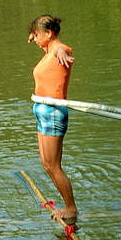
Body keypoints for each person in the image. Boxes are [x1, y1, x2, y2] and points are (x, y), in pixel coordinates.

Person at [28, 14, 78, 223]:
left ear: (49, 34)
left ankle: (71, 208)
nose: (34, 39)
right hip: (42, 110)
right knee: (47, 165)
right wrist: (37, 38)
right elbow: (50, 48)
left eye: (37, 35)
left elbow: (61, 50)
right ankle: (67, 206)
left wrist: (57, 49)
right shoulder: (48, 51)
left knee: (54, 166)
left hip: (53, 113)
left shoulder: (60, 50)